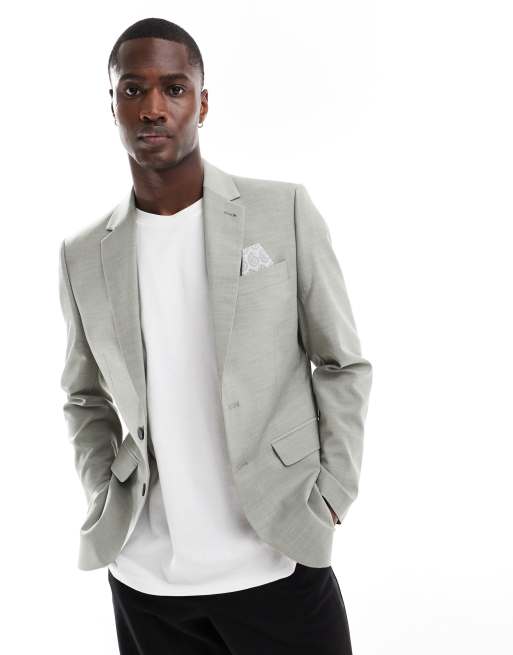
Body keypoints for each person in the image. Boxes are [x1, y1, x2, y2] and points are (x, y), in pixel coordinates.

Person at [58, 17, 373, 654]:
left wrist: (333, 493)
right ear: (112, 105)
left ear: (202, 103)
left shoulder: (281, 211)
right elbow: (83, 397)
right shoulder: (83, 253)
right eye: (133, 89)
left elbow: (341, 363)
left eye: (174, 88)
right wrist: (102, 491)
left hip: (276, 554)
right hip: (148, 581)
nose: (153, 107)